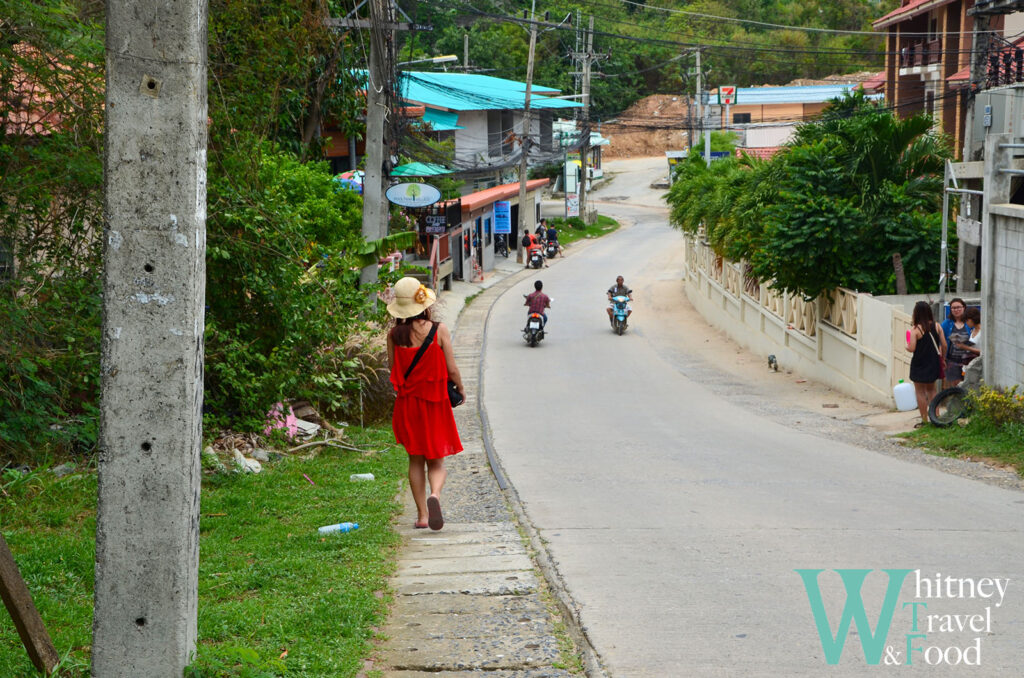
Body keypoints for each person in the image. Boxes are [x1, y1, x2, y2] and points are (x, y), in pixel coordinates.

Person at [387, 277, 466, 531]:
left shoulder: (394, 335)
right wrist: (461, 389)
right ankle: (436, 496)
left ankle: (422, 516)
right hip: (435, 404)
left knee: (415, 460)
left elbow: (392, 370)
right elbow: (452, 369)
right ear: (424, 304)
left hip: (408, 405)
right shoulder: (439, 330)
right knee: (437, 462)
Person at [905, 301, 947, 428]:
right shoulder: (937, 326)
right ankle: (936, 417)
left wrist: (905, 346)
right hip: (933, 362)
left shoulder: (915, 330)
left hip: (919, 363)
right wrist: (943, 358)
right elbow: (944, 345)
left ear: (915, 313)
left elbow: (911, 348)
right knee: (932, 390)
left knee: (920, 392)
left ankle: (924, 420)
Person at [941, 298, 970, 387]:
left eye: (958, 307)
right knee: (955, 387)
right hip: (952, 361)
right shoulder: (947, 323)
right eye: (953, 308)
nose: (956, 310)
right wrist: (942, 359)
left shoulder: (970, 322)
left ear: (964, 308)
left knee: (968, 386)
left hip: (968, 361)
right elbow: (941, 342)